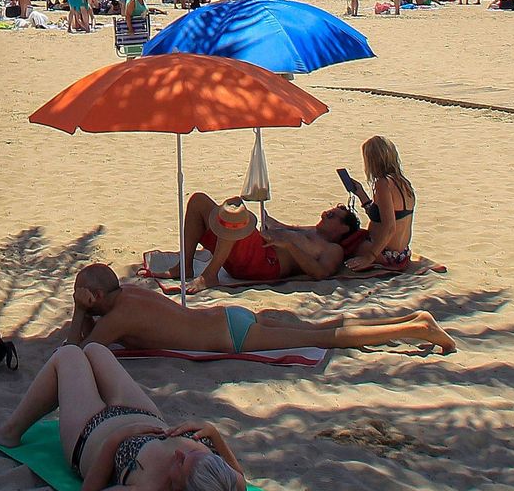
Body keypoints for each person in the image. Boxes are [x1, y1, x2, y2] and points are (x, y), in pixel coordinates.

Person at [0, 343, 256, 491]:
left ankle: (10, 432)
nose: (182, 452)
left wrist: (117, 440)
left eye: (182, 462)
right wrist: (214, 435)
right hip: (144, 414)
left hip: (91, 432)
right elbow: (240, 478)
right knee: (96, 350)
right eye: (195, 451)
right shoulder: (226, 485)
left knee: (68, 355)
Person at [68, 263, 456, 353]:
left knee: (329, 337)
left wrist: (79, 312)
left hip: (233, 335)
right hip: (227, 316)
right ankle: (409, 319)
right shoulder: (132, 293)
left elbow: (80, 351)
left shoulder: (117, 317)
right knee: (322, 327)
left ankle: (415, 329)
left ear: (95, 296)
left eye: (80, 292)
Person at [175, 195, 364, 293]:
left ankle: (210, 275)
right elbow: (284, 228)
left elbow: (320, 273)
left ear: (343, 229)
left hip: (266, 263)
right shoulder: (312, 231)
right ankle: (185, 265)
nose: (324, 214)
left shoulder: (333, 249)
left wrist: (289, 246)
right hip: (257, 250)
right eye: (326, 212)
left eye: (331, 216)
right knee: (198, 201)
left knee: (234, 214)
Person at [341, 136, 416, 272]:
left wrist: (369, 257)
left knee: (338, 241)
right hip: (401, 254)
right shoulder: (404, 183)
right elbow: (384, 217)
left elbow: (389, 227)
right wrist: (362, 195)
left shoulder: (383, 183)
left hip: (384, 254)